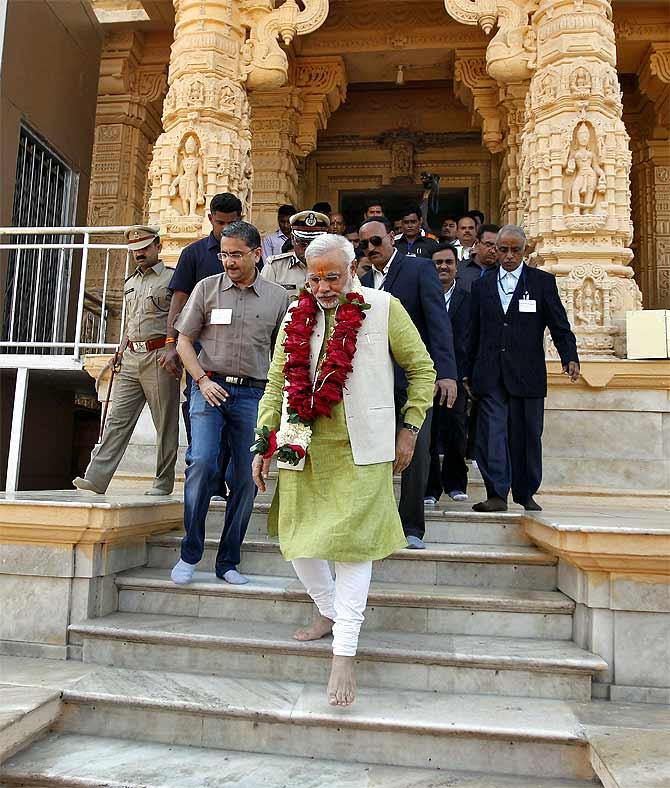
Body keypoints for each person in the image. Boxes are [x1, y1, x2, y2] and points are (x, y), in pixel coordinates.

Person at [252, 233, 434, 706]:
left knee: (353, 549)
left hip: (364, 445)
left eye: (332, 276)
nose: (323, 286)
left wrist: (409, 429)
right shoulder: (296, 312)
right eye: (314, 277)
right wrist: (262, 440)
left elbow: (423, 370)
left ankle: (344, 650)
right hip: (300, 439)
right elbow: (276, 382)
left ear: (352, 269)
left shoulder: (383, 306)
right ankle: (329, 610)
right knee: (294, 536)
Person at [170, 222, 290, 586]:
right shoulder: (206, 289)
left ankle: (228, 561)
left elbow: (282, 352)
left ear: (257, 254)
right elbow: (183, 342)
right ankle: (190, 552)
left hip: (254, 394)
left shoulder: (277, 297)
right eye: (224, 254)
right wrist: (201, 381)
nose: (229, 261)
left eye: (236, 254)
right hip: (210, 389)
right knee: (202, 463)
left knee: (246, 477)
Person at [464, 225, 580, 513]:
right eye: (503, 249)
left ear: (525, 250)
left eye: (515, 250)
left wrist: (570, 356)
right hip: (490, 373)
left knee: (528, 434)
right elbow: (471, 332)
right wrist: (465, 371)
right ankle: (496, 494)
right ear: (495, 250)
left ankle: (526, 492)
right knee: (491, 434)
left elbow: (559, 324)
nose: (509, 255)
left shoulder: (541, 283)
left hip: (527, 373)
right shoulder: (482, 285)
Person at [359, 217, 458, 550]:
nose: (370, 248)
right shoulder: (360, 281)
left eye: (375, 241)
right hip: (372, 381)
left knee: (415, 451)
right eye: (364, 245)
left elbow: (437, 320)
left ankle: (412, 527)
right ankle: (377, 521)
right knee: (373, 452)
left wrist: (445, 372)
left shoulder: (417, 270)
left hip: (415, 380)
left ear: (391, 237)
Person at [73, 227, 180, 496]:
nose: (139, 254)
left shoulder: (172, 278)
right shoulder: (130, 282)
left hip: (159, 355)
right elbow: (129, 323)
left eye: (144, 247)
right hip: (131, 356)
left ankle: (163, 481)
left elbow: (180, 319)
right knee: (116, 420)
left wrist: (173, 348)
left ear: (157, 245)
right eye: (135, 250)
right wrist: (119, 351)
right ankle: (96, 479)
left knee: (164, 422)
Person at [164, 192, 243, 500]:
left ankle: (225, 478)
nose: (225, 228)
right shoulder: (194, 253)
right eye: (221, 222)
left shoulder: (248, 253)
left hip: (237, 349)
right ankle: (205, 481)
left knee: (233, 412)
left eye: (232, 222)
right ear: (210, 219)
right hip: (199, 349)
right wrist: (171, 342)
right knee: (199, 412)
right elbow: (179, 299)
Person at [425, 243, 471, 505]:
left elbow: (473, 338)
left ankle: (455, 483)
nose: (443, 267)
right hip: (426, 376)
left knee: (456, 430)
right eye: (437, 263)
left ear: (456, 266)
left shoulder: (468, 298)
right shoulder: (421, 296)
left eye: (448, 262)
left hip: (457, 377)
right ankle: (430, 488)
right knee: (428, 433)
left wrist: (464, 376)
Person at [261, 211, 330, 292]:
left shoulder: (335, 267)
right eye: (303, 243)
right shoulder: (275, 267)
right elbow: (263, 299)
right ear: (293, 240)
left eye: (314, 244)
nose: (308, 249)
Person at [458, 223, 500, 292]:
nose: (493, 251)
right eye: (488, 245)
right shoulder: (459, 269)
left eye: (497, 247)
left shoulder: (502, 272)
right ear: (477, 243)